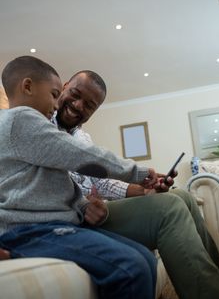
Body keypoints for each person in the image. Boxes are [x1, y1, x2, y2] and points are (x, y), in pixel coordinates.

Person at [0, 59, 219, 298]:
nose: (78, 106)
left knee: (181, 196)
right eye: (68, 94)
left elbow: (87, 182)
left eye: (89, 106)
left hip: (79, 214)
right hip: (47, 226)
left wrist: (144, 188)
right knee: (162, 220)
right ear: (65, 87)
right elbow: (82, 158)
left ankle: (217, 286)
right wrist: (139, 173)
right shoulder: (29, 119)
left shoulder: (80, 136)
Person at [0, 55, 159, 299]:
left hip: (55, 226)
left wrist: (83, 205)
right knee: (131, 268)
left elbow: (55, 185)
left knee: (145, 257)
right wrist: (137, 172)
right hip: (30, 231)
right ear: (28, 86)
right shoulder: (20, 119)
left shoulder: (32, 135)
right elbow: (79, 155)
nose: (55, 106)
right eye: (54, 94)